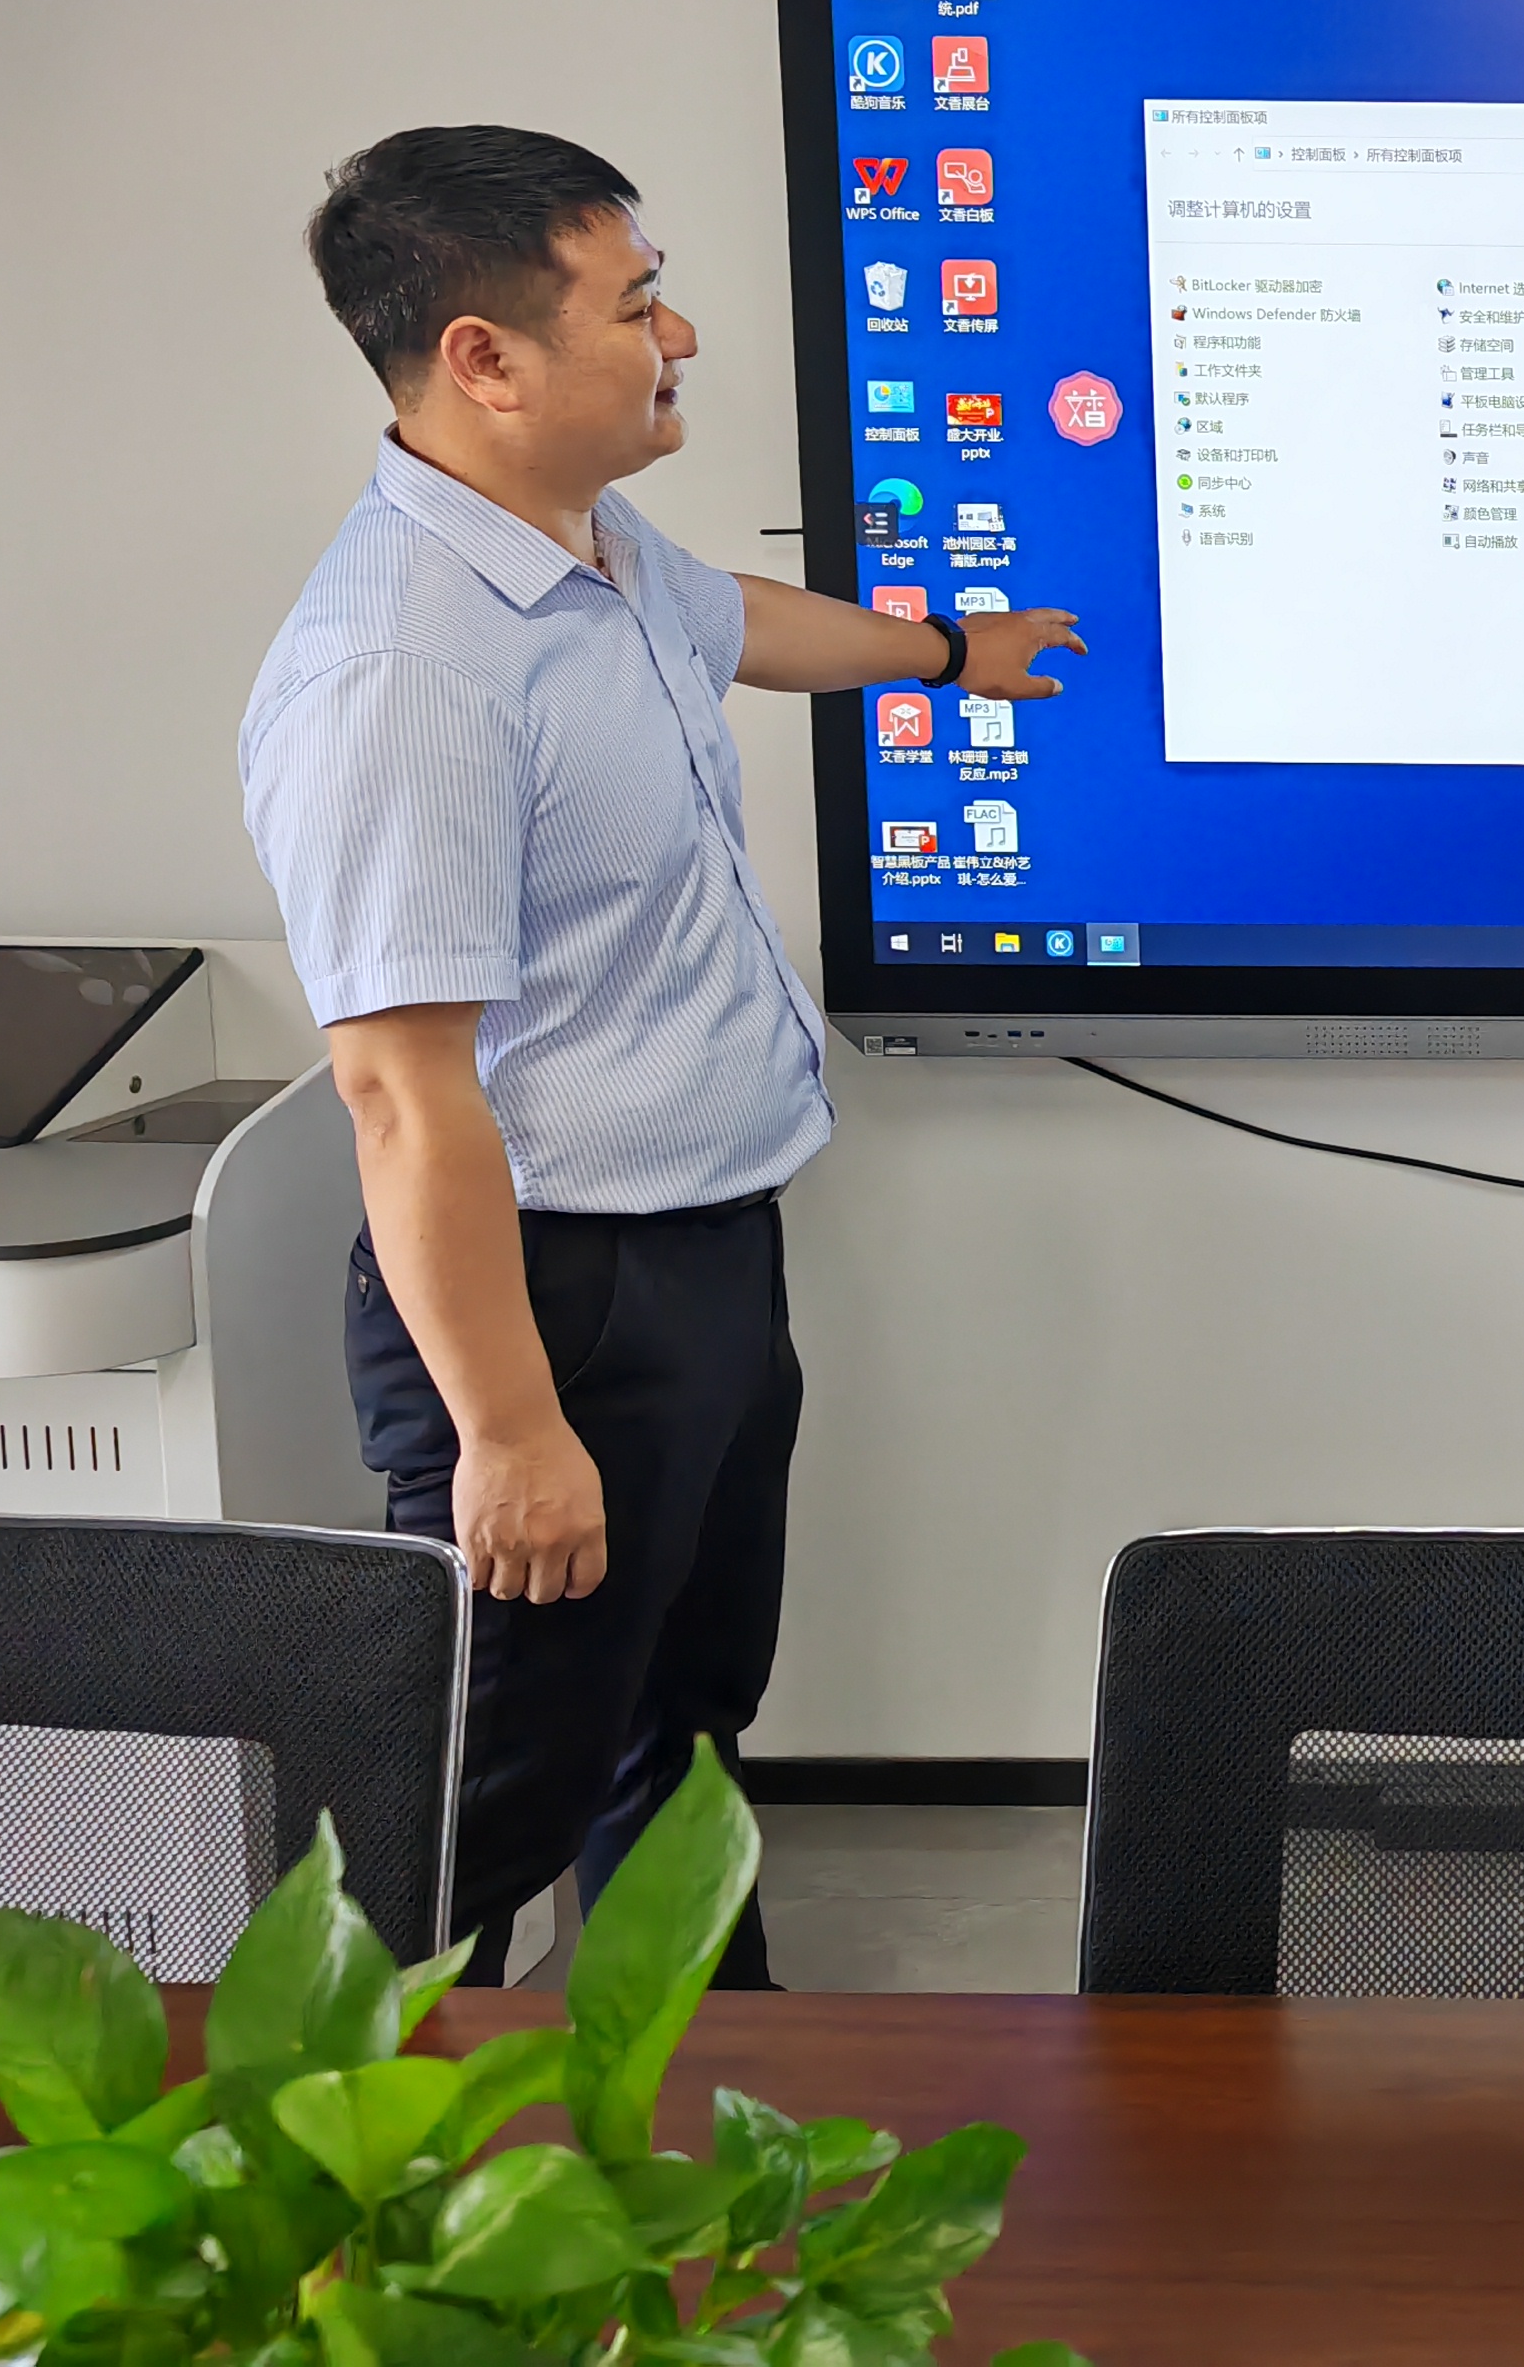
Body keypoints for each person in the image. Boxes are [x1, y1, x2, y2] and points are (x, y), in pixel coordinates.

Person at [242, 125, 1084, 1982]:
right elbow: (400, 1094)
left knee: (683, 1726)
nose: (677, 333)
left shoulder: (595, 554)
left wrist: (949, 651)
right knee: (484, 1803)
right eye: (634, 306)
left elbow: (738, 625)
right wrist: (510, 1429)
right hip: (552, 1298)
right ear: (484, 358)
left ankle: (705, 2076)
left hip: (701, 1251)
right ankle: (324, 2124)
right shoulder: (404, 673)